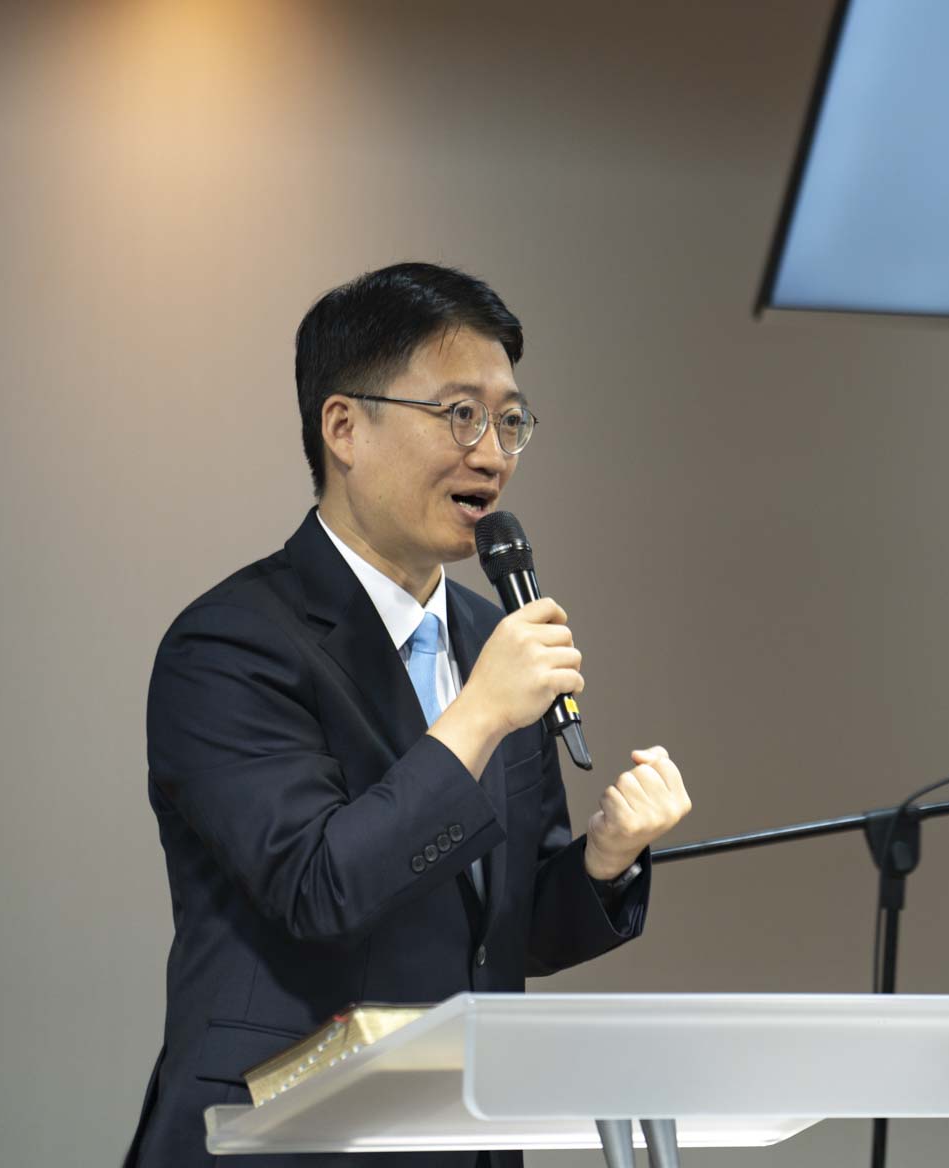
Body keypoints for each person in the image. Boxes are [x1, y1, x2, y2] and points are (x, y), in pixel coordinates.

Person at [125, 262, 692, 1167]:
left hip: (460, 1135)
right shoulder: (230, 644)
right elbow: (320, 888)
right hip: (279, 1140)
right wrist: (478, 715)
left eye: (510, 421)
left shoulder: (488, 636)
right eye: (460, 413)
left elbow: (498, 939)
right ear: (344, 428)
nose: (492, 454)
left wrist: (604, 859)